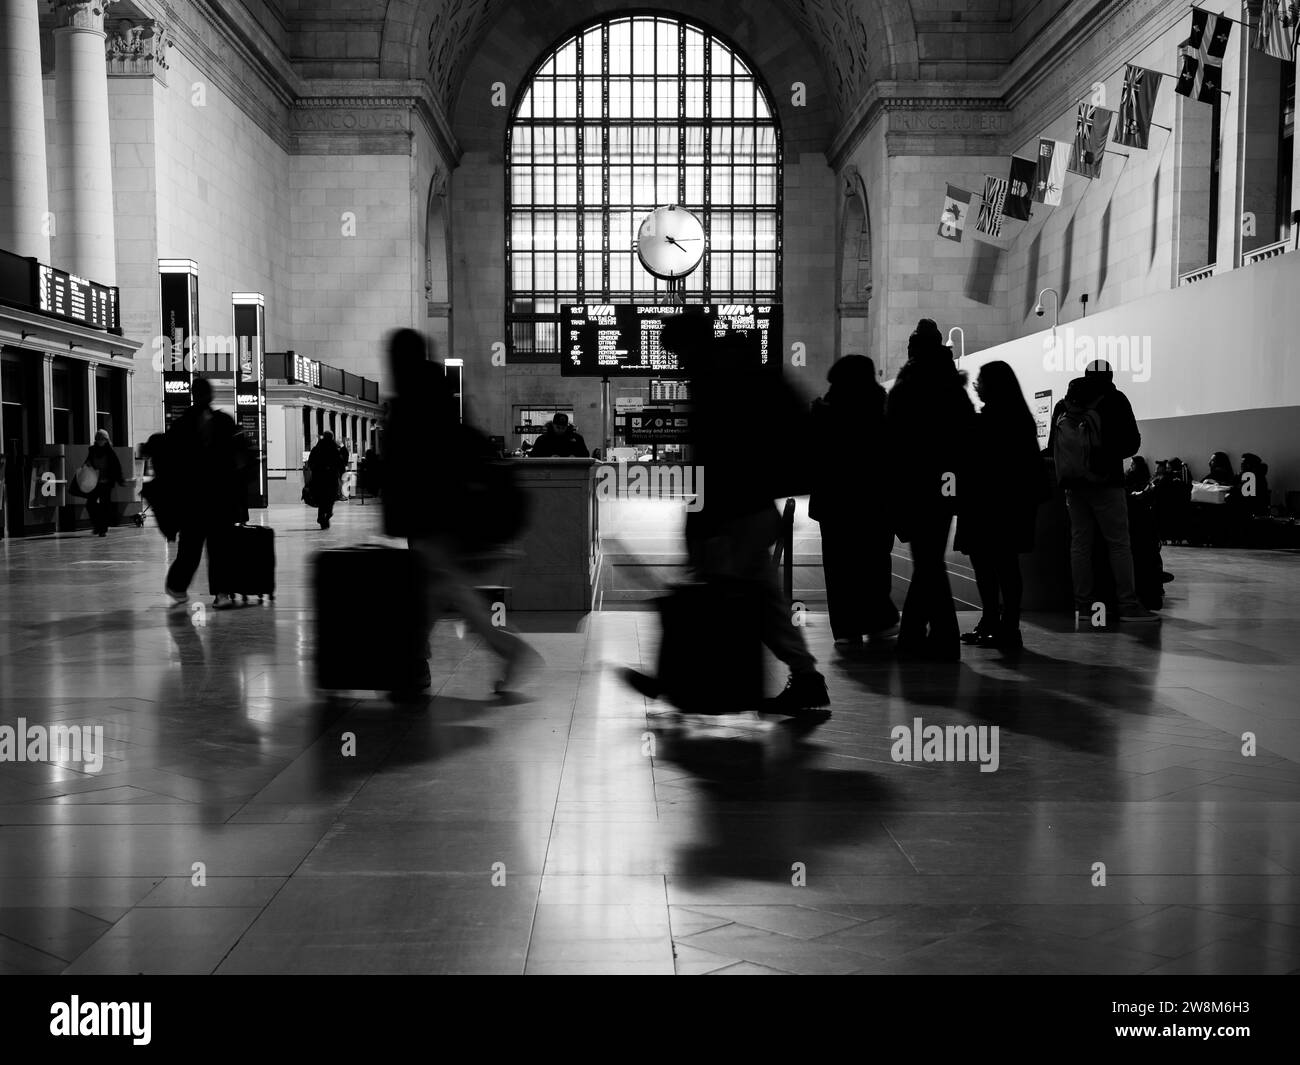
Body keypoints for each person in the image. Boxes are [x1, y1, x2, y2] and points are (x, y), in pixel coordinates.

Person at [620, 312, 830, 723]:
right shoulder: (741, 371)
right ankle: (801, 676)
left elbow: (720, 460)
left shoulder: (718, 380)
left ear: (689, 344)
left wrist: (702, 522)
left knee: (718, 596)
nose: (677, 361)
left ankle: (677, 680)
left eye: (676, 351)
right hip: (748, 509)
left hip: (733, 514)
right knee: (753, 597)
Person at [383, 329, 542, 696]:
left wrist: (402, 515)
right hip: (442, 514)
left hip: (436, 515)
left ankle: (507, 651)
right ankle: (413, 664)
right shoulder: (435, 385)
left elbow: (414, 462)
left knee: (442, 586)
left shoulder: (412, 394)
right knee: (436, 589)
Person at [886, 319, 975, 661]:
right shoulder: (951, 387)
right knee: (930, 561)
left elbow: (892, 443)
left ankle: (921, 636)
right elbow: (966, 436)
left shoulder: (906, 387)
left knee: (927, 562)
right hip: (945, 485)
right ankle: (935, 636)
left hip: (913, 486)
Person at [1048, 360, 1159, 623]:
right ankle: (1127, 604)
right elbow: (1132, 443)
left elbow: (1053, 446)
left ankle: (1084, 607)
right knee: (1119, 544)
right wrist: (1104, 456)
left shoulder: (1065, 404)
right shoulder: (1115, 399)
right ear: (1110, 376)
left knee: (1080, 544)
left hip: (1073, 485)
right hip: (1107, 483)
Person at [954, 361, 1045, 652]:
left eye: (980, 380)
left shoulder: (985, 421)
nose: (977, 385)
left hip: (983, 504)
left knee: (985, 565)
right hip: (1011, 506)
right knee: (1006, 565)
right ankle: (1008, 625)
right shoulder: (1020, 420)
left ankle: (992, 619)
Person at [809, 354, 898, 647]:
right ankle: (878, 621)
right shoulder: (881, 409)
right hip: (875, 501)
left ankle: (846, 629)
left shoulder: (825, 412)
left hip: (835, 503)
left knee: (839, 568)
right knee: (874, 562)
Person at [162, 376, 251, 610]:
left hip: (199, 499)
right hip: (211, 498)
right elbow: (239, 459)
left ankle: (181, 586)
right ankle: (219, 593)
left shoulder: (183, 424)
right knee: (214, 548)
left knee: (194, 548)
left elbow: (170, 464)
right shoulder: (221, 421)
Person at [84, 429, 126, 537]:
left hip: (106, 482)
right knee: (90, 504)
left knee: (105, 505)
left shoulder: (110, 452)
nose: (100, 441)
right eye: (98, 439)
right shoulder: (92, 450)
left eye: (102, 439)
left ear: (106, 440)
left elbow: (116, 467)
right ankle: (97, 525)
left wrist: (120, 479)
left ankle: (102, 528)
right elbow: (88, 462)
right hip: (94, 482)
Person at [306, 431, 345, 529]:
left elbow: (310, 462)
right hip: (331, 478)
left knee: (322, 498)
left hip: (319, 478)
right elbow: (340, 463)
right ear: (331, 437)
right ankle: (327, 514)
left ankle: (322, 516)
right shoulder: (334, 449)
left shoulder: (317, 448)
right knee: (330, 498)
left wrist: (316, 469)